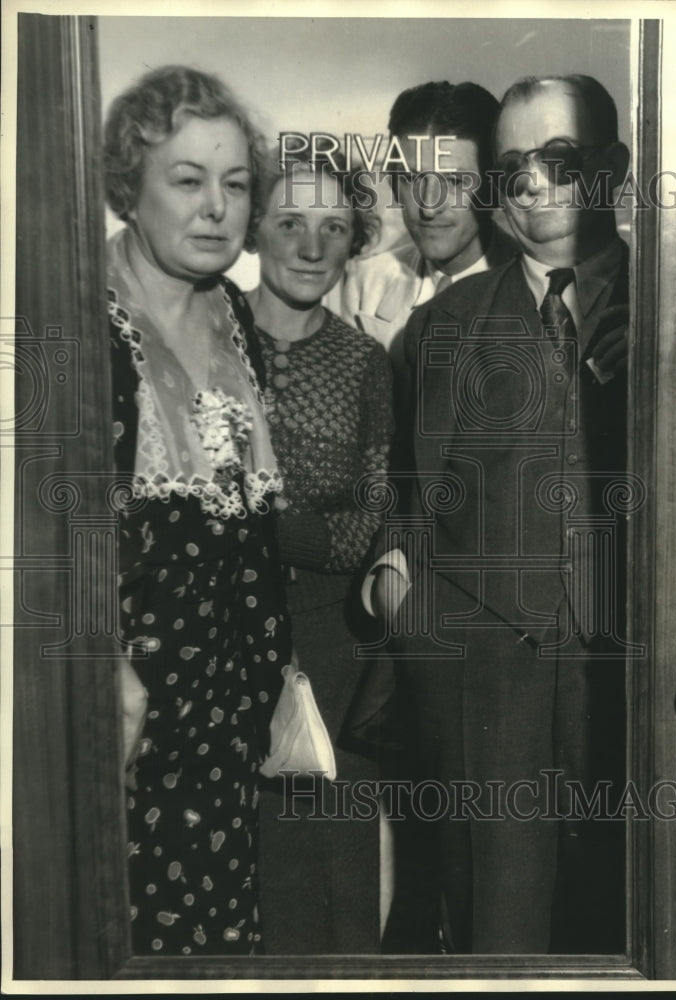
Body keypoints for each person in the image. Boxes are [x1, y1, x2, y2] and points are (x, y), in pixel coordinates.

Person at [365, 74, 632, 954]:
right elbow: (408, 495)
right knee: (496, 936)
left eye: (557, 160)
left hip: (628, 678)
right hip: (484, 691)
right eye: (512, 167)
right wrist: (404, 605)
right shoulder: (438, 330)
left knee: (641, 923)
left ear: (610, 169)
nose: (531, 186)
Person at [105, 65, 293, 957]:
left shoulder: (233, 321)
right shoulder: (80, 320)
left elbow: (234, 516)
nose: (216, 207)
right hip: (124, 717)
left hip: (224, 719)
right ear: (127, 191)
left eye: (235, 183)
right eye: (186, 180)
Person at [245, 154, 393, 954]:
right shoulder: (199, 338)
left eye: (333, 226)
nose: (311, 245)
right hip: (217, 638)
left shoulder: (365, 363)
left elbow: (368, 524)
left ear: (354, 241)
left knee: (330, 891)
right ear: (254, 229)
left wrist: (259, 528)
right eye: (291, 222)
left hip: (330, 651)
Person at [341, 80, 518, 358]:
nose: (429, 207)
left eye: (455, 181)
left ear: (493, 188)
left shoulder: (540, 288)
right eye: (412, 179)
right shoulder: (366, 282)